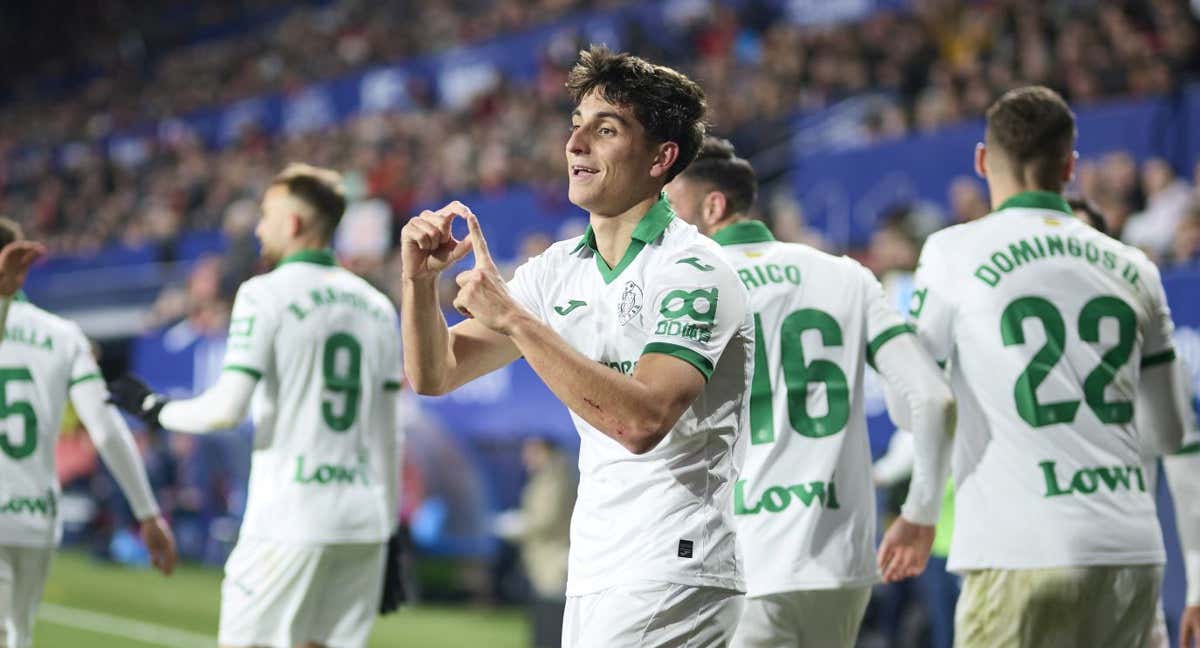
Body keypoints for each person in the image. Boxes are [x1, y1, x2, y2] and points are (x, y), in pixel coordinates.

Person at [401, 46, 752, 647]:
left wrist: (514, 319)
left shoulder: (694, 270)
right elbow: (436, 373)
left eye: (606, 129)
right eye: (576, 126)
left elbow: (641, 421)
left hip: (674, 560)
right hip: (597, 561)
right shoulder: (556, 270)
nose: (576, 144)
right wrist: (419, 282)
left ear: (660, 158)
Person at [909, 86, 1192, 647]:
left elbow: (916, 397)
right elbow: (1170, 432)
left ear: (984, 161)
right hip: (1130, 553)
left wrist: (918, 507)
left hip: (1017, 549)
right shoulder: (1136, 267)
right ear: (1070, 167)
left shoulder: (951, 252)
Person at [665, 138, 955, 647]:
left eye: (671, 207)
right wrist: (920, 516)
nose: (662, 225)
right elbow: (931, 400)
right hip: (838, 563)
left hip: (737, 563)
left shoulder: (687, 291)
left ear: (713, 207)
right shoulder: (847, 275)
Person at [109, 164, 403, 648]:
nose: (259, 227)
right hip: (363, 524)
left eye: (267, 215)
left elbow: (226, 409)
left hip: (289, 519)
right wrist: (390, 533)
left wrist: (154, 407)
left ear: (293, 224)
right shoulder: (377, 306)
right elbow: (390, 433)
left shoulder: (263, 293)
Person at [0, 218, 174, 648]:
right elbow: (107, 427)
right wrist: (147, 513)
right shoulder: (63, 336)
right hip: (36, 516)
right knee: (18, 635)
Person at [494, 437, 576, 648]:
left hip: (554, 558)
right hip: (546, 558)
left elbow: (546, 519)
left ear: (544, 451)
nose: (526, 458)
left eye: (530, 451)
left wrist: (514, 526)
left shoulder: (555, 478)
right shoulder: (552, 476)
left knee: (550, 623)